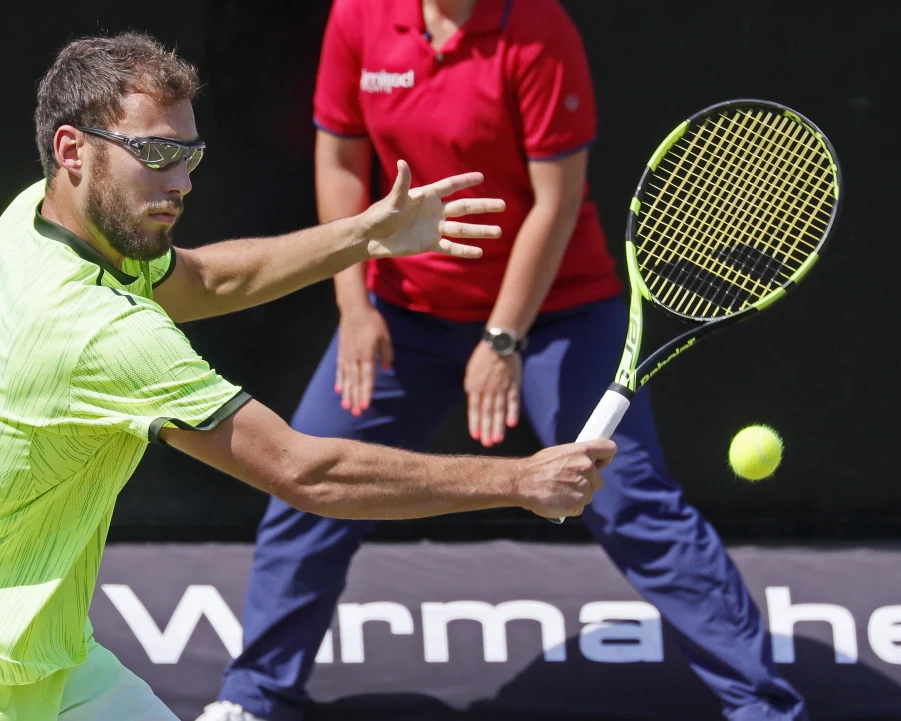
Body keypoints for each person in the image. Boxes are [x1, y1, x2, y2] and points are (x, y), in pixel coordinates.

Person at [0, 31, 616, 721]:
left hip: (45, 655)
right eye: (154, 154)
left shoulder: (36, 217)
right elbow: (308, 473)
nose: (181, 182)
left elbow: (206, 282)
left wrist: (365, 235)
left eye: (189, 154)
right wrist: (520, 479)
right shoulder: (95, 333)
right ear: (74, 151)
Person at [197, 2, 809, 721]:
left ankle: (765, 710)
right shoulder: (359, 16)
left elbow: (557, 200)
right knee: (307, 484)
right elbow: (339, 159)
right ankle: (255, 695)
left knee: (632, 502)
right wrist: (355, 305)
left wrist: (504, 337)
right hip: (400, 311)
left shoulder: (539, 31)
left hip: (557, 313)